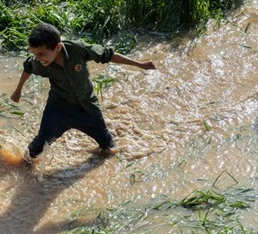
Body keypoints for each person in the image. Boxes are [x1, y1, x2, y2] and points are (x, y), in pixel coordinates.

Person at [10, 23, 156, 163]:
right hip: (58, 109)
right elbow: (28, 68)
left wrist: (139, 64)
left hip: (87, 108)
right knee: (34, 151)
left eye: (41, 53)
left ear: (58, 47)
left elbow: (108, 55)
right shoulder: (39, 63)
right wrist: (18, 90)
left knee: (109, 148)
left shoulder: (77, 49)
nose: (37, 57)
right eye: (34, 53)